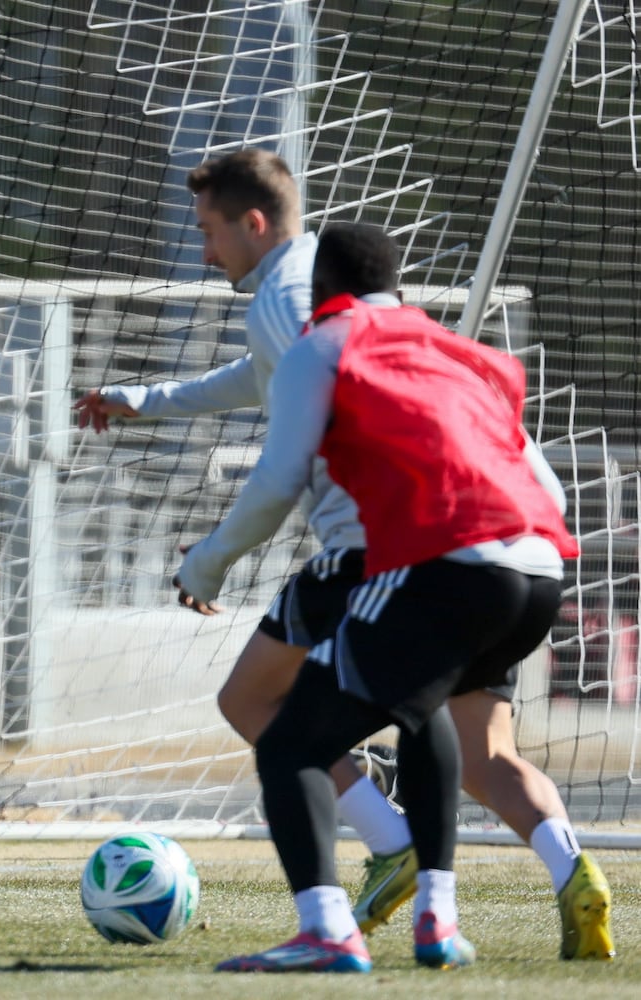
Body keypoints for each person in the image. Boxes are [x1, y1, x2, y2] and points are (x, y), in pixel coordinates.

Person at [74, 149, 613, 961]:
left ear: (258, 225)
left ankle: (371, 874)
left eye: (209, 232)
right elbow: (274, 379)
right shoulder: (433, 340)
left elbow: (291, 425)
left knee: (272, 720)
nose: (205, 252)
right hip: (525, 554)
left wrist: (210, 561)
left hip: (392, 550)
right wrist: (151, 401)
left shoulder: (304, 308)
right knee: (469, 741)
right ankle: (470, 896)